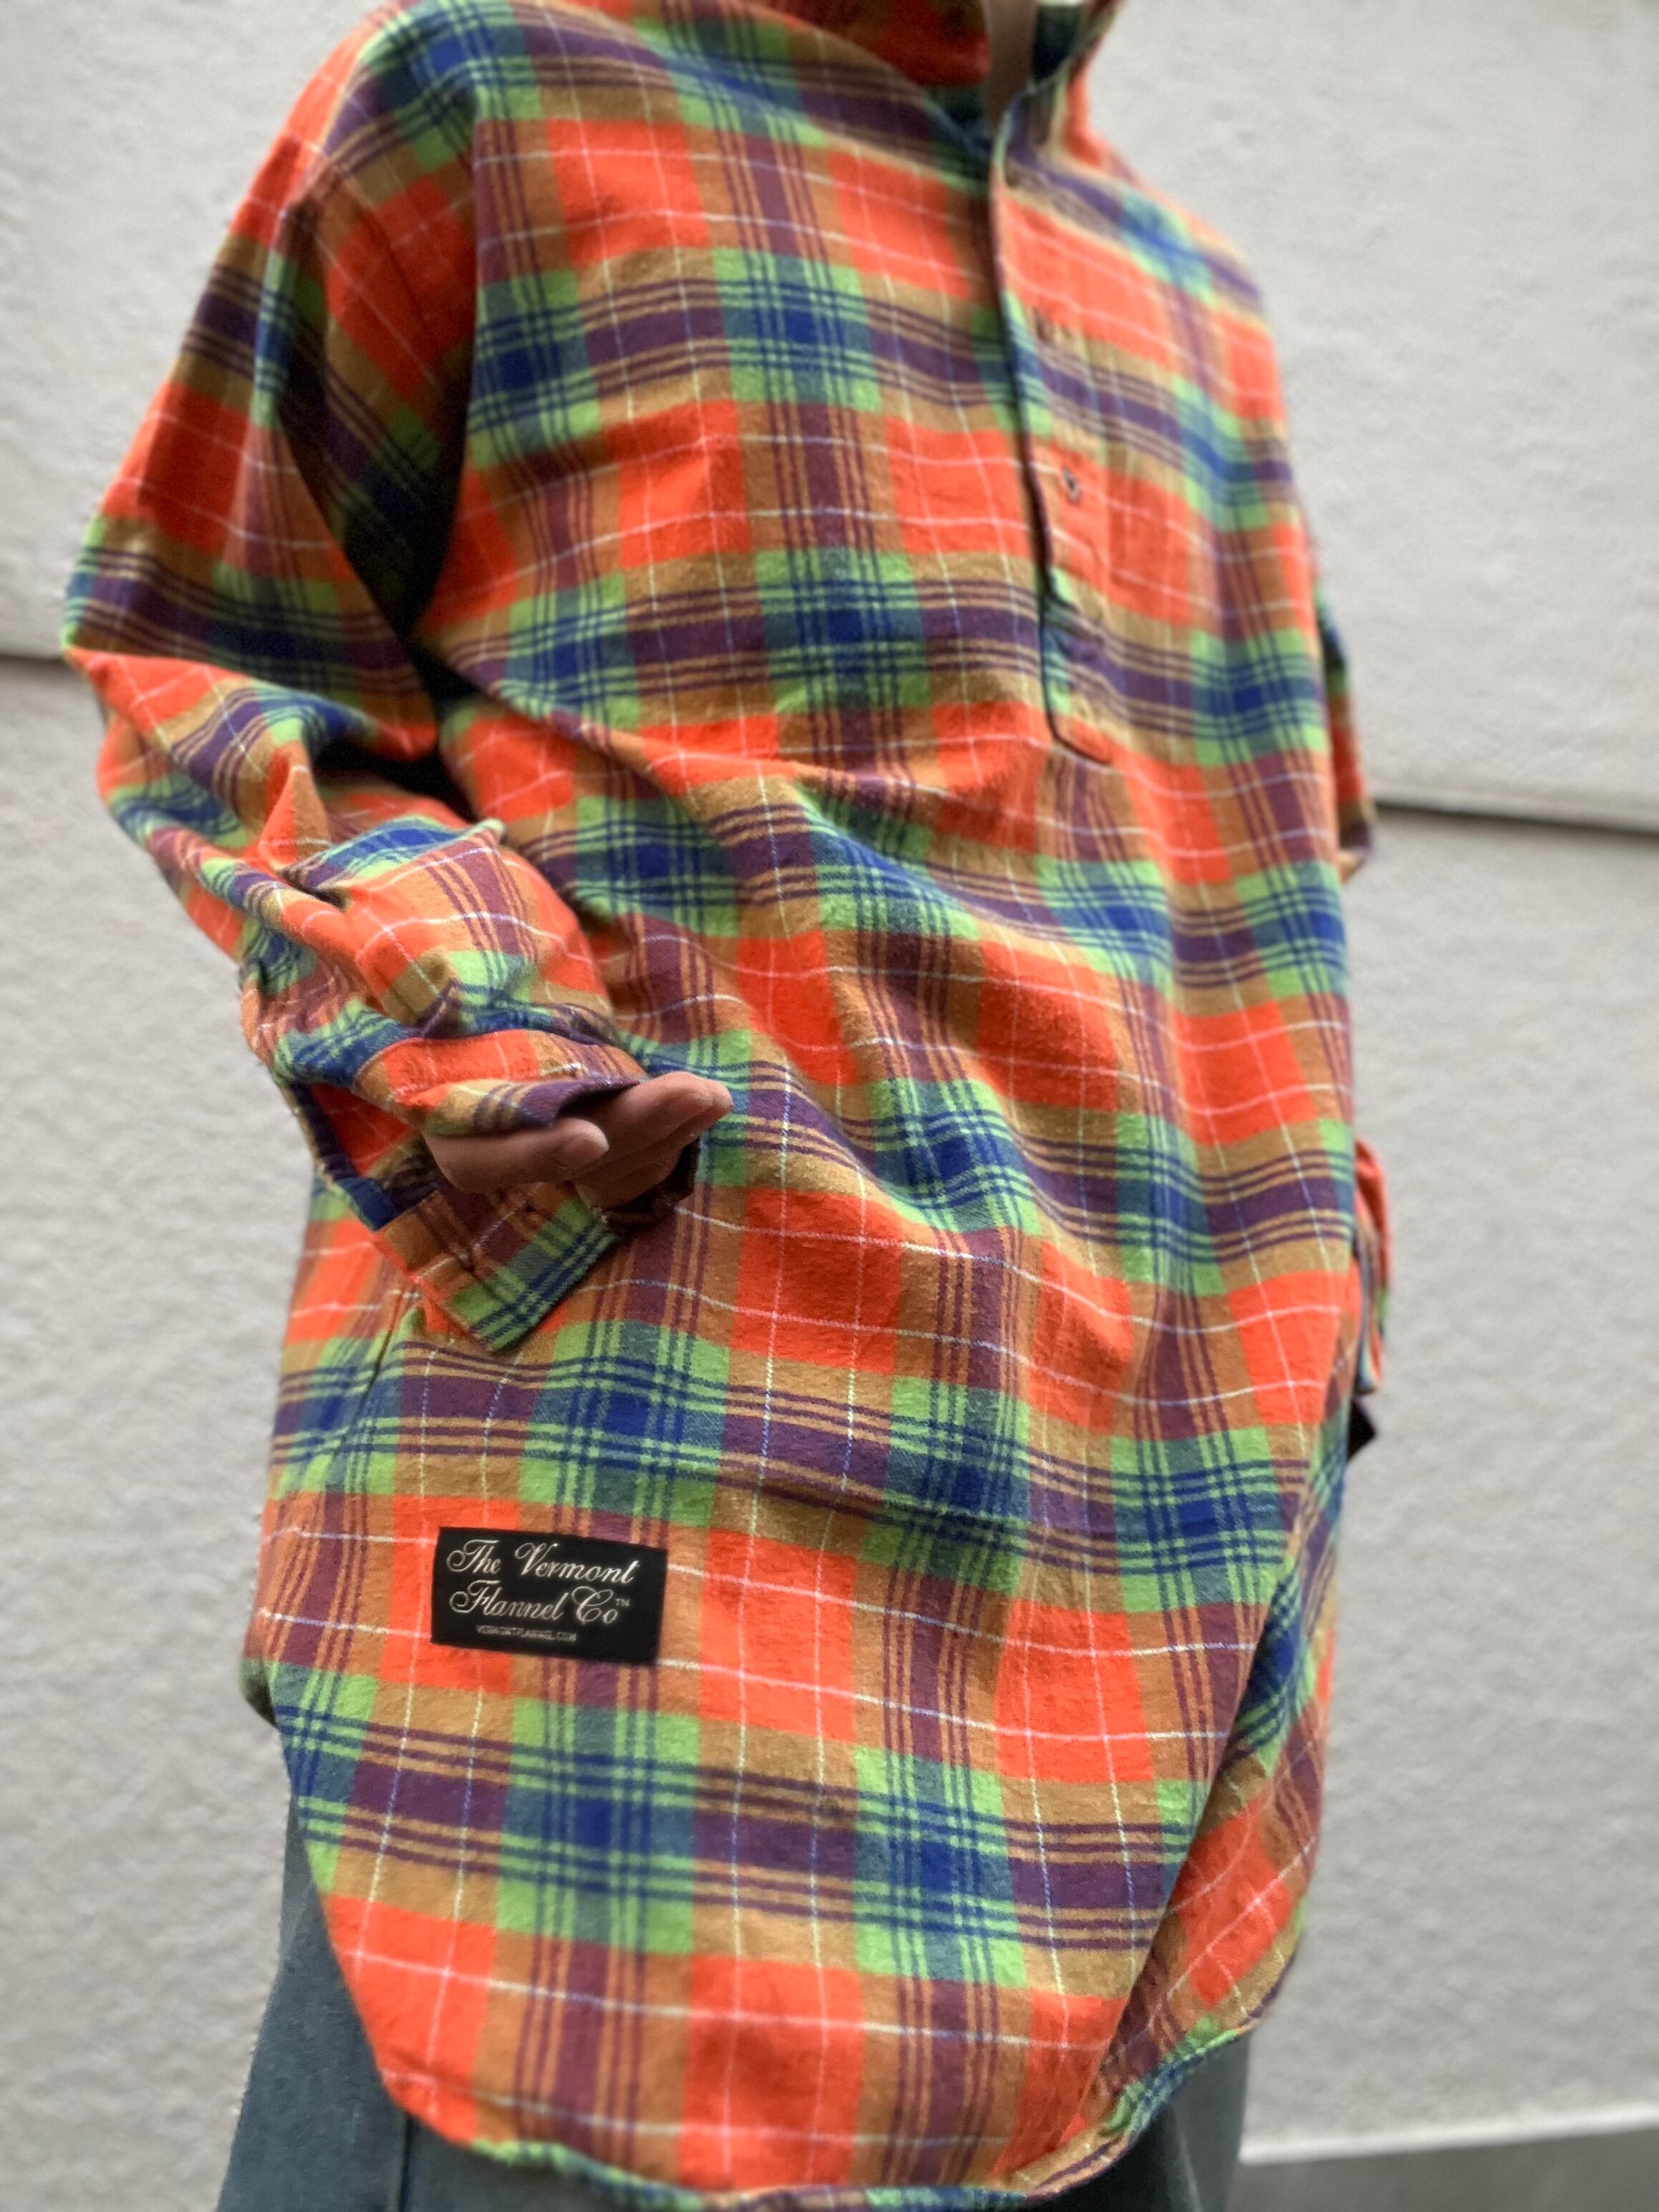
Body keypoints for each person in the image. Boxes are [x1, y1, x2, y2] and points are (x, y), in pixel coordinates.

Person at [64, 2, 1391, 2207]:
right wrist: (462, 1007)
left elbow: (1251, 876)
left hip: (1167, 1564)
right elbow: (224, 629)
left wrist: (1315, 1289)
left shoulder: (1190, 306)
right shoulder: (494, 92)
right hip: (666, 1480)